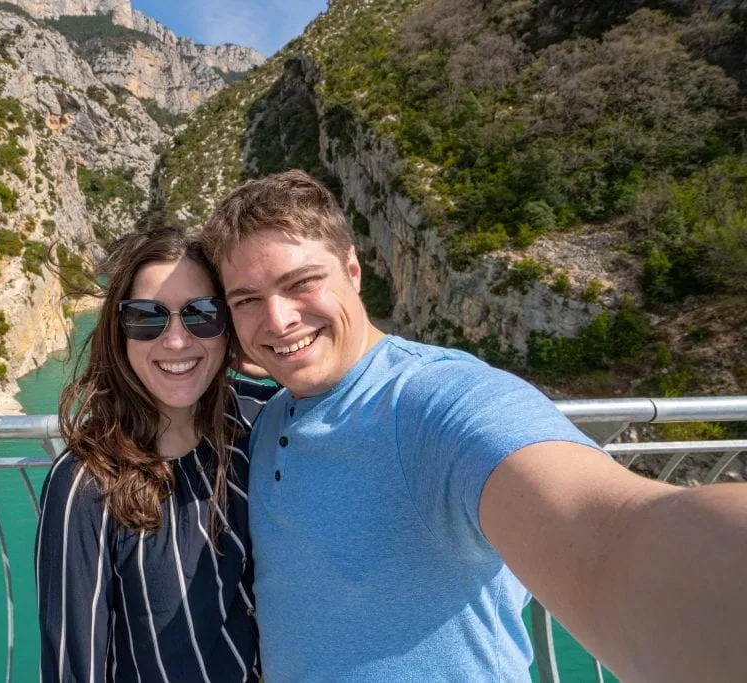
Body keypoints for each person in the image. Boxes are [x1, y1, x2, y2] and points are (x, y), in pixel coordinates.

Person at [202, 169, 747, 682]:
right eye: (247, 300)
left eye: (301, 283)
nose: (277, 319)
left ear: (352, 271)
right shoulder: (273, 413)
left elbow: (607, 534)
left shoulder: (433, 401)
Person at [35, 227, 274, 683]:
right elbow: (73, 666)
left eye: (202, 315)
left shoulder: (261, 423)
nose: (177, 340)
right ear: (119, 332)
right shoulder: (86, 483)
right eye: (148, 317)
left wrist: (273, 361)